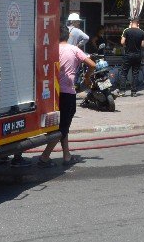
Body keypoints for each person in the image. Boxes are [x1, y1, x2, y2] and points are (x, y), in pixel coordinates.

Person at [32, 25, 96, 167]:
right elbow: (92, 64)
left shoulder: (51, 50)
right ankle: (44, 156)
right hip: (67, 92)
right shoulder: (74, 49)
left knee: (62, 126)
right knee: (63, 127)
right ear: (69, 36)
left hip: (50, 94)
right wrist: (87, 78)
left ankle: (67, 156)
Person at [119, 18, 144, 96]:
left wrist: (125, 46)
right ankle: (134, 92)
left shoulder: (126, 31)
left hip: (128, 54)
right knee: (135, 73)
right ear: (138, 24)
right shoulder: (142, 32)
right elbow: (143, 45)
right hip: (138, 55)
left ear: (131, 23)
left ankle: (122, 91)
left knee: (124, 73)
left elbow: (122, 42)